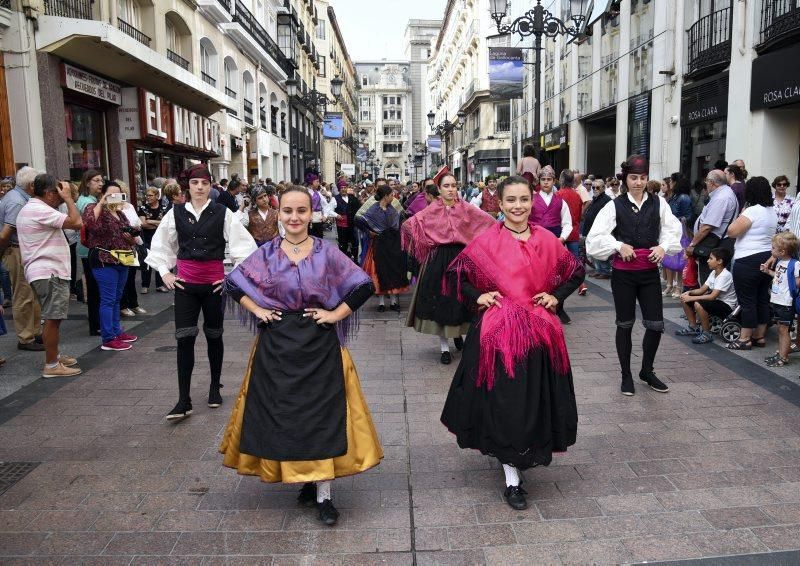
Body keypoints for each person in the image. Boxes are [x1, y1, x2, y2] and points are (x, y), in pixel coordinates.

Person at [219, 186, 382, 527]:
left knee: (322, 416)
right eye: (288, 211)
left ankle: (324, 495)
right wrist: (259, 311)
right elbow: (234, 284)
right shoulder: (266, 254)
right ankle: (303, 480)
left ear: (312, 214)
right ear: (279, 214)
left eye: (301, 211)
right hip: (276, 348)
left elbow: (363, 285)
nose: (294, 217)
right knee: (285, 417)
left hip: (320, 345)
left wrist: (335, 315)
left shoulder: (327, 252)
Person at [440, 176, 582, 510]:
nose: (518, 206)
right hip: (498, 335)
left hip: (540, 334)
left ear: (531, 202)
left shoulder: (547, 240)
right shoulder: (487, 239)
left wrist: (555, 296)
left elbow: (576, 271)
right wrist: (481, 295)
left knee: (534, 400)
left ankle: (525, 451)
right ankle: (511, 477)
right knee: (505, 402)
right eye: (511, 201)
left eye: (523, 200)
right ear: (499, 204)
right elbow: (458, 276)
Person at [146, 164, 257, 422]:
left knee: (214, 336)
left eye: (204, 183)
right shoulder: (175, 213)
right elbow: (161, 245)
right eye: (195, 183)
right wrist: (164, 273)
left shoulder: (223, 213)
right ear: (188, 186)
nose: (199, 187)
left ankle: (214, 386)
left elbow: (245, 248)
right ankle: (183, 399)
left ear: (210, 186)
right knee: (184, 339)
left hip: (213, 286)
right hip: (185, 286)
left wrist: (231, 278)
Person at [586, 155, 682, 396]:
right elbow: (595, 239)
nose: (638, 182)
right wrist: (619, 245)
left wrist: (662, 247)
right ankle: (626, 375)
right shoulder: (613, 205)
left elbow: (673, 231)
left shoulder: (659, 203)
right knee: (625, 324)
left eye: (642, 178)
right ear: (625, 179)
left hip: (649, 273)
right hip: (624, 275)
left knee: (655, 324)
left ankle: (646, 371)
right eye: (633, 178)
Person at [402, 172, 496, 364]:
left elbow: (489, 223)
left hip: (463, 259)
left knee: (464, 301)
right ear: (439, 189)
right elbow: (409, 226)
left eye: (454, 185)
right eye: (447, 186)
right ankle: (445, 348)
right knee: (442, 303)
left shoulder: (467, 208)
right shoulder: (431, 210)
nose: (451, 189)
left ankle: (459, 336)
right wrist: (427, 242)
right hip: (439, 261)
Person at [16, 174, 83, 378]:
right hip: (49, 272)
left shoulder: (34, 208)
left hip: (45, 271)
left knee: (53, 319)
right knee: (53, 320)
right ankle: (52, 365)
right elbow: (76, 222)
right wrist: (70, 198)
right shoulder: (39, 209)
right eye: (58, 192)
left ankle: (54, 356)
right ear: (48, 193)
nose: (61, 196)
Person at [82, 180, 138, 352]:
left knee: (116, 298)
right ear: (103, 195)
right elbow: (89, 223)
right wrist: (101, 202)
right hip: (103, 259)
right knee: (108, 299)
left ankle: (116, 332)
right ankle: (108, 338)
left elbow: (130, 231)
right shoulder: (93, 208)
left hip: (122, 258)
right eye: (110, 194)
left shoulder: (120, 213)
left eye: (118, 194)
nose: (115, 198)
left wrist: (132, 236)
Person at [725, 176, 777, 350]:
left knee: (747, 300)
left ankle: (745, 338)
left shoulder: (753, 210)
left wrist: (740, 215)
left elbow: (732, 231)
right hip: (766, 258)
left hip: (747, 259)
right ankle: (759, 336)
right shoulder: (772, 211)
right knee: (762, 298)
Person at [0, 166, 44, 350]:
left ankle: (34, 332)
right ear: (32, 185)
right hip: (16, 250)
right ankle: (26, 338)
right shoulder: (17, 201)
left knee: (30, 294)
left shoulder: (18, 197)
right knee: (23, 294)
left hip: (21, 249)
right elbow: (6, 233)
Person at [360, 184, 409, 311]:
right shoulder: (373, 209)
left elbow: (398, 225)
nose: (393, 197)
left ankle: (393, 302)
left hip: (392, 244)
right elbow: (363, 221)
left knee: (392, 271)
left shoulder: (393, 209)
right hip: (379, 244)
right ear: (386, 196)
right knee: (379, 271)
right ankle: (381, 303)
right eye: (391, 195)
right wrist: (370, 232)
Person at [686, 170, 739, 283]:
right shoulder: (724, 193)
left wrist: (692, 244)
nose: (706, 184)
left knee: (708, 281)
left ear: (711, 182)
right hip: (715, 243)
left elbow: (707, 226)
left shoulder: (721, 197)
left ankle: (706, 300)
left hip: (714, 245)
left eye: (706, 181)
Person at [675, 247, 735, 345]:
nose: (708, 261)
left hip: (726, 305)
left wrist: (692, 298)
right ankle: (693, 327)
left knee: (699, 304)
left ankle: (707, 334)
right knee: (684, 298)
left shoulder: (725, 275)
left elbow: (712, 296)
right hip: (717, 301)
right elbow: (702, 290)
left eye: (711, 258)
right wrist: (689, 293)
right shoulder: (714, 272)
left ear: (719, 261)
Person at [760, 232, 800, 367]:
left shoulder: (795, 264)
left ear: (782, 251)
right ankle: (782, 354)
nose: (771, 251)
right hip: (777, 300)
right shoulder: (780, 262)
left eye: (773, 248)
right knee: (781, 330)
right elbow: (778, 277)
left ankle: (783, 357)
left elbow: (797, 282)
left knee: (784, 330)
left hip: (786, 302)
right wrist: (767, 272)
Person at [75, 169, 104, 335]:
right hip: (90, 249)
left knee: (95, 288)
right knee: (95, 289)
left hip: (88, 249)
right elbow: (92, 225)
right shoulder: (87, 202)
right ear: (87, 183)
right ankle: (96, 324)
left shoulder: (89, 199)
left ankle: (97, 322)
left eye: (101, 180)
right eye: (96, 180)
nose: (100, 183)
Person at [116, 180, 145, 317]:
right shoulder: (114, 209)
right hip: (121, 245)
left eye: (122, 193)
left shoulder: (129, 206)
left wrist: (136, 229)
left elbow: (138, 223)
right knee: (124, 277)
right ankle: (123, 305)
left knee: (132, 275)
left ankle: (134, 304)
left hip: (133, 244)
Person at [557, 169, 587, 298]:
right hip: (574, 231)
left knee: (557, 260)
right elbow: (580, 214)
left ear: (562, 180)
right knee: (576, 260)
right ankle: (581, 284)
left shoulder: (558, 195)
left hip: (561, 232)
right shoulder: (576, 195)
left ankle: (559, 284)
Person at [663, 175, 693, 298]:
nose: (670, 183)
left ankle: (678, 286)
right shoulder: (674, 196)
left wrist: (677, 221)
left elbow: (688, 216)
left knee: (679, 260)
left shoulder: (684, 198)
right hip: (671, 230)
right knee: (669, 258)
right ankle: (669, 284)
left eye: (671, 181)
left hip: (680, 232)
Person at [138, 187, 169, 293]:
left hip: (161, 238)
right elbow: (143, 224)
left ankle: (160, 285)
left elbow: (166, 224)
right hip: (147, 238)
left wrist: (150, 220)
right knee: (147, 261)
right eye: (147, 195)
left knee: (160, 260)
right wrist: (158, 223)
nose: (148, 197)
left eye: (150, 195)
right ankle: (145, 285)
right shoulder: (143, 208)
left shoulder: (164, 208)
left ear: (157, 196)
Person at [583, 179, 612, 279]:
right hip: (591, 229)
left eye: (597, 187)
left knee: (600, 250)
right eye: (593, 187)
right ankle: (598, 269)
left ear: (603, 188)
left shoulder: (607, 200)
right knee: (594, 250)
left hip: (601, 230)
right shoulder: (595, 198)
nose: (595, 189)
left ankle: (605, 271)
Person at [333, 183, 360, 261]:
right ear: (339, 189)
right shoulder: (335, 199)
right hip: (342, 224)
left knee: (354, 242)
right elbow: (329, 210)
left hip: (352, 224)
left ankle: (355, 258)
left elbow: (359, 209)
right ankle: (343, 259)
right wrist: (336, 215)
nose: (343, 189)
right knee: (343, 242)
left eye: (345, 187)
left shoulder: (353, 198)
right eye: (341, 187)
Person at [306, 173, 326, 238]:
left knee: (319, 238)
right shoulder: (305, 193)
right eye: (317, 181)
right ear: (311, 182)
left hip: (318, 219)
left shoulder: (318, 193)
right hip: (307, 219)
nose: (319, 183)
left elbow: (326, 205)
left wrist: (325, 215)